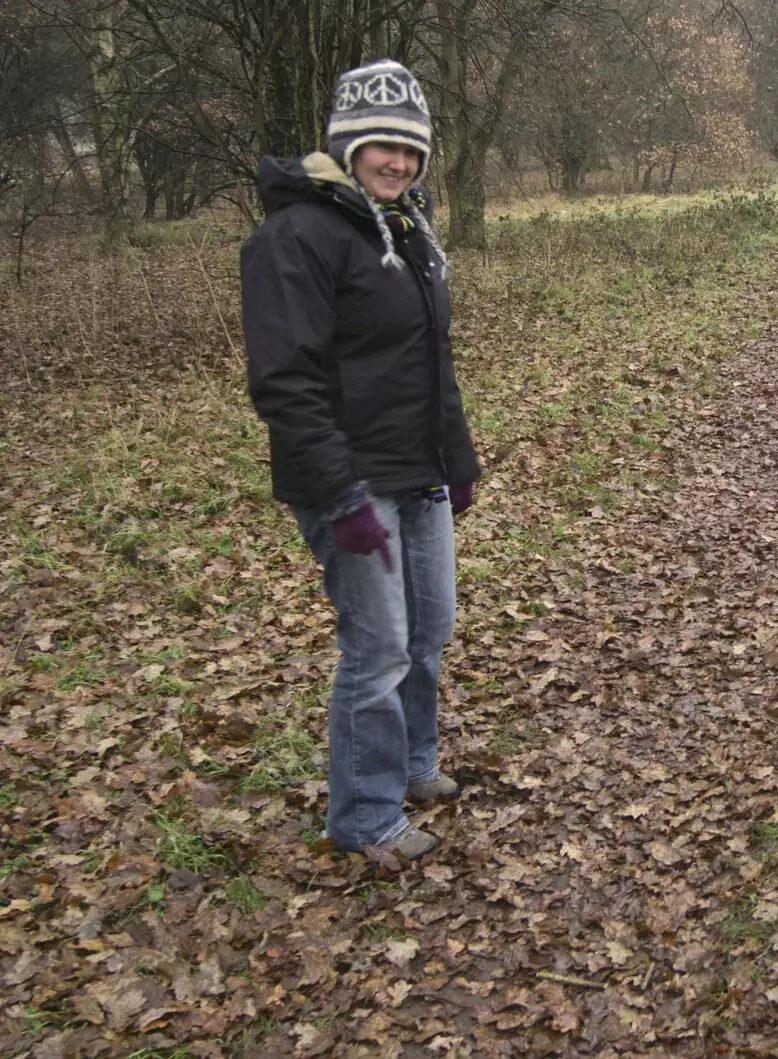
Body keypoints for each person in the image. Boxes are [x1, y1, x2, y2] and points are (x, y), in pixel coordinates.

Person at [240, 59, 480, 860]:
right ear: (348, 144)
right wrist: (339, 494)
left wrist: (458, 460)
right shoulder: (295, 236)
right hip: (351, 486)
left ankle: (413, 764)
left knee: (430, 631)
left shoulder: (408, 228)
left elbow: (430, 359)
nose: (399, 162)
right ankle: (365, 817)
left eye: (411, 150)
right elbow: (284, 381)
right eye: (383, 146)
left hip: (419, 475)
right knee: (376, 649)